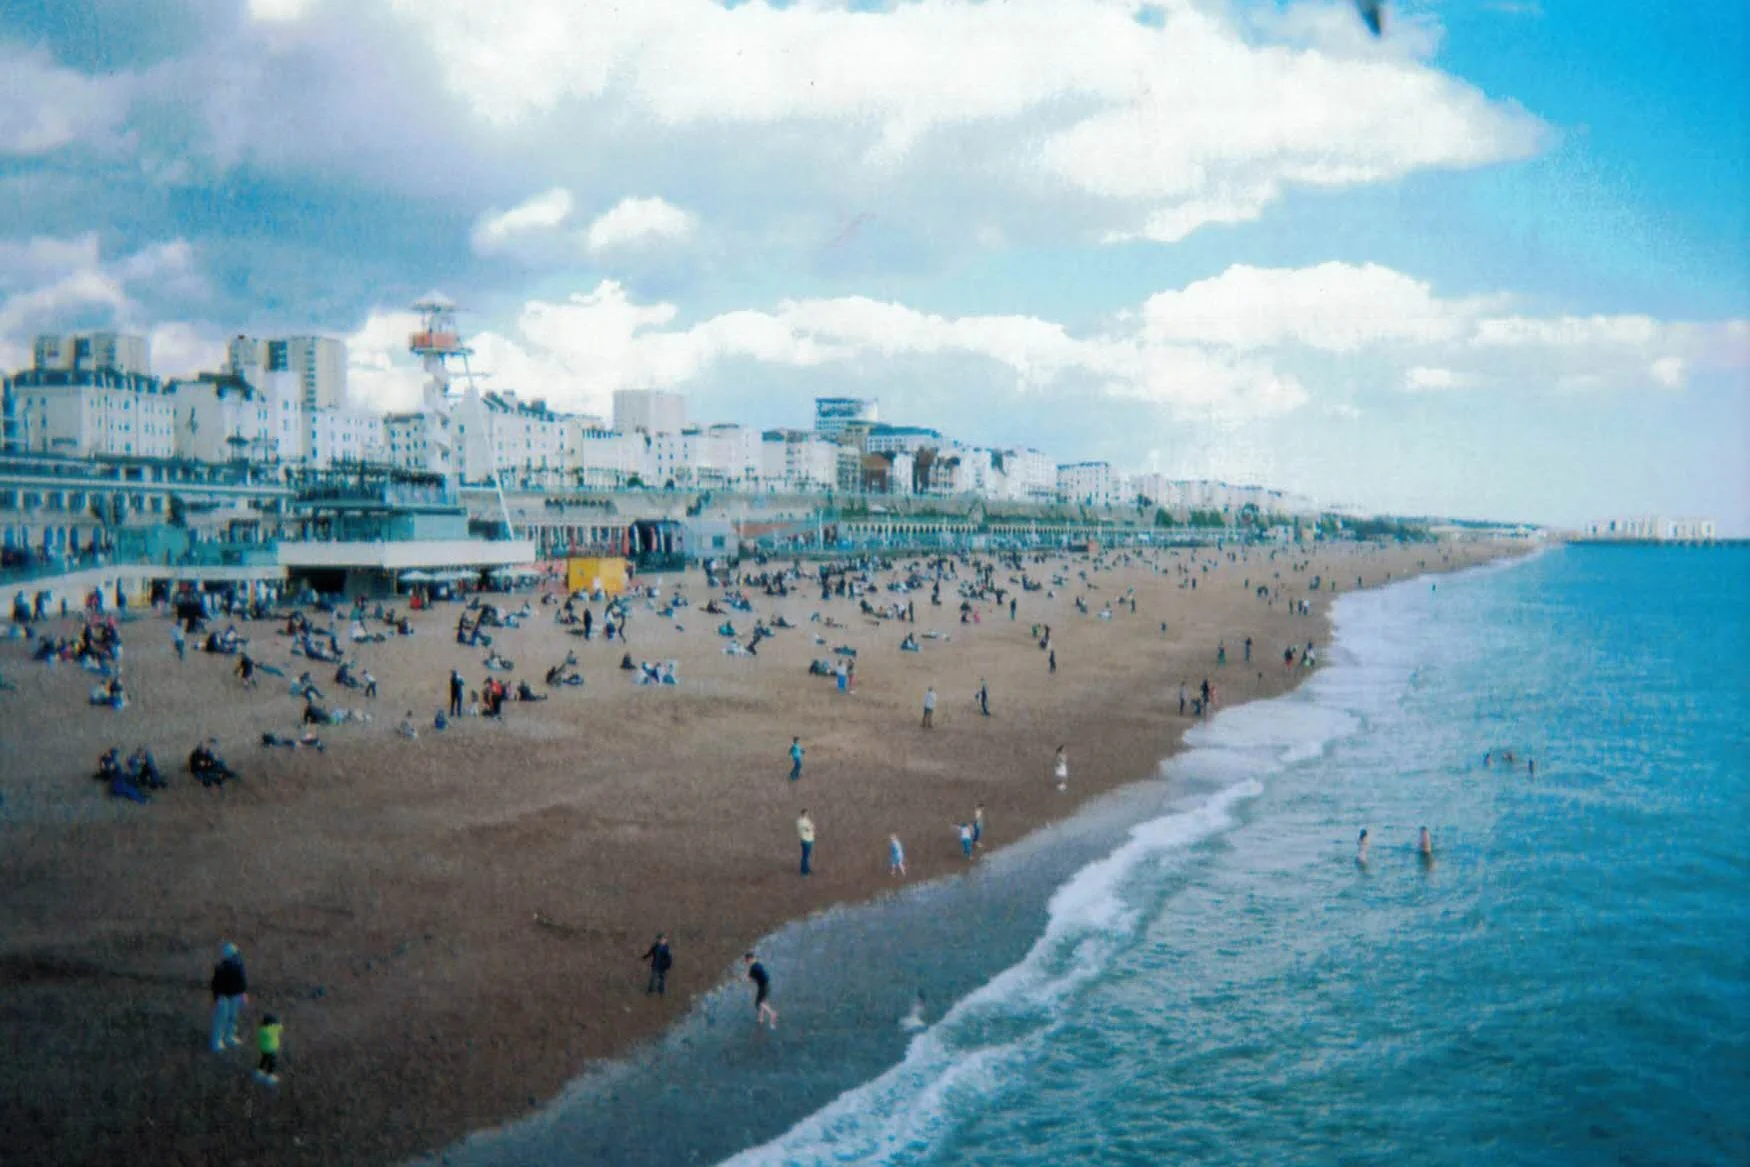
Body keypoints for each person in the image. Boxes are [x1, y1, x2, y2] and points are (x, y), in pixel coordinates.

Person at [210, 942, 248, 1052]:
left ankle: (228, 1036)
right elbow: (216, 985)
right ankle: (217, 1040)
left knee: (232, 1016)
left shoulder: (235, 966)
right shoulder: (223, 968)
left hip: (233, 996)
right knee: (222, 1018)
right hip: (225, 996)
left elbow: (242, 981)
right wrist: (217, 997)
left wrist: (243, 993)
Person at [745, 952, 778, 1029]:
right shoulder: (757, 964)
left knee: (758, 1003)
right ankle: (761, 1018)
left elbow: (748, 979)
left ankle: (772, 1013)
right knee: (762, 1001)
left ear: (749, 959)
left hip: (763, 987)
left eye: (746, 961)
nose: (746, 962)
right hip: (766, 985)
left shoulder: (753, 968)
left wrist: (746, 976)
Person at [254, 1012, 283, 1085]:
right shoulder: (272, 1030)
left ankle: (259, 1071)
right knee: (272, 1063)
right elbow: (280, 1028)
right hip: (271, 1049)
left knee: (263, 1059)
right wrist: (279, 1023)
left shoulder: (262, 1029)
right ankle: (269, 1076)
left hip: (263, 1048)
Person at [797, 809, 815, 876]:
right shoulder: (802, 822)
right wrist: (811, 827)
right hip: (806, 840)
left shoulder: (805, 820)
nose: (807, 815)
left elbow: (811, 827)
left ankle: (806, 868)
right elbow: (809, 828)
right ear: (803, 814)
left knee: (806, 856)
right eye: (806, 814)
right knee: (805, 856)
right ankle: (804, 872)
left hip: (808, 839)